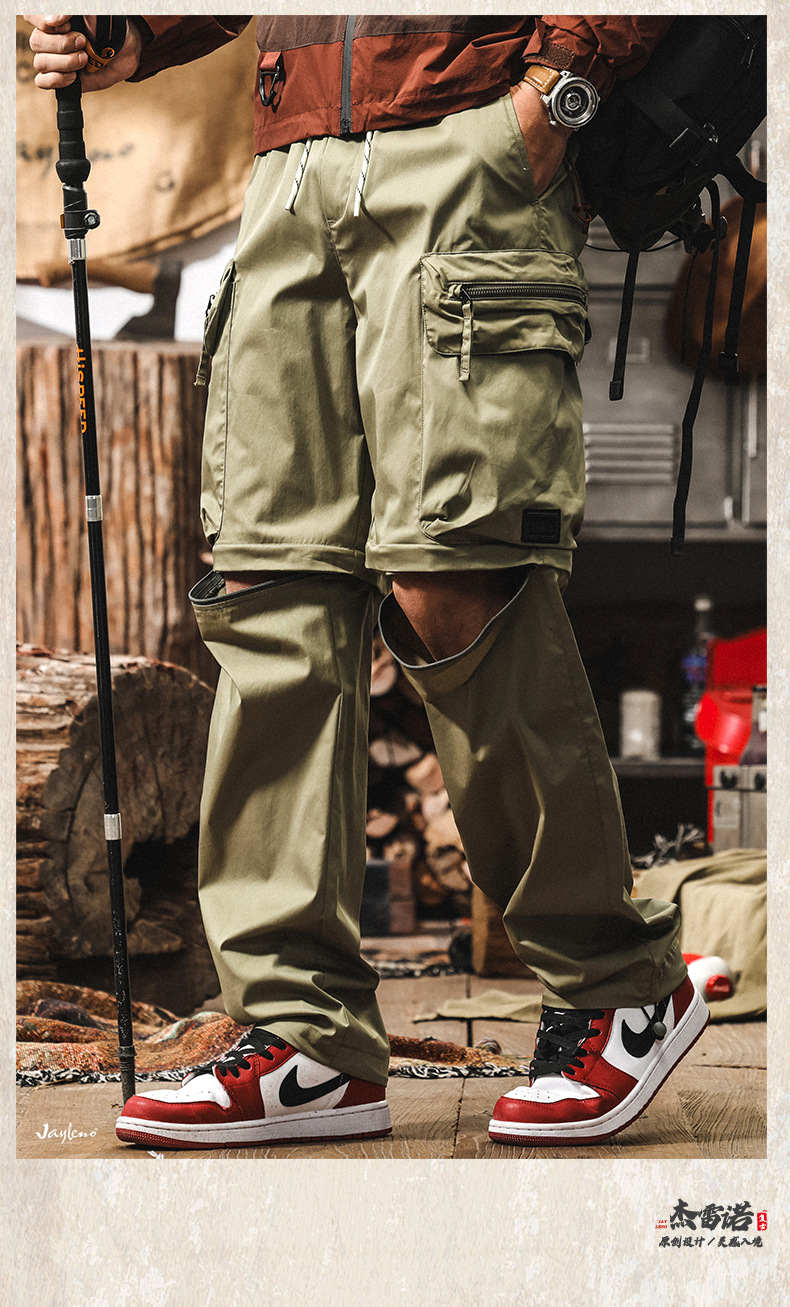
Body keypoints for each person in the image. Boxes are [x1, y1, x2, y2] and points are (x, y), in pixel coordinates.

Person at [26, 14, 709, 1151]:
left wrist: (561, 84)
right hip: (289, 166)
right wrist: (141, 35)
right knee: (268, 592)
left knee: (457, 577)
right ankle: (305, 1037)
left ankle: (615, 986)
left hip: (466, 142)